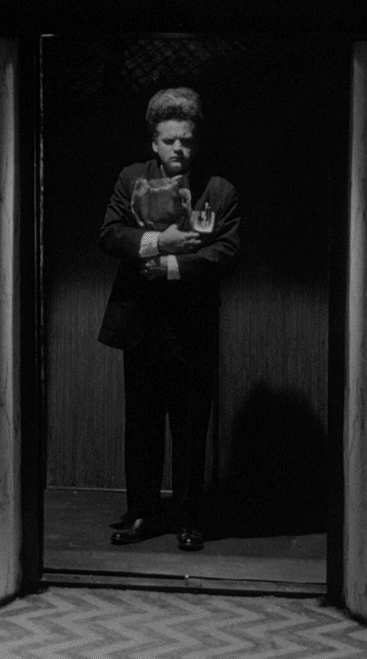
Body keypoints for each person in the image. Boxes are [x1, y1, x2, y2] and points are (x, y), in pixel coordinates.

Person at [98, 87, 242, 551]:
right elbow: (110, 234)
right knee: (141, 423)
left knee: (190, 425)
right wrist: (161, 243)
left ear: (196, 142)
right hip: (140, 321)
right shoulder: (130, 179)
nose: (178, 148)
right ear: (154, 143)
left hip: (192, 325)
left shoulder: (218, 190)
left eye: (187, 140)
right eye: (169, 140)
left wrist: (174, 266)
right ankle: (141, 513)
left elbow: (227, 251)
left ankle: (188, 518)